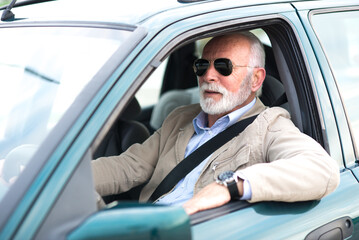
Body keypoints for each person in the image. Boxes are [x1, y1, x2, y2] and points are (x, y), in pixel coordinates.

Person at [92, 31, 340, 215]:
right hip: (152, 225)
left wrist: (230, 186)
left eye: (223, 66)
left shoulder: (270, 125)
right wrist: (66, 178)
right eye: (202, 65)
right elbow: (129, 166)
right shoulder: (179, 117)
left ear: (255, 79)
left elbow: (322, 170)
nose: (209, 75)